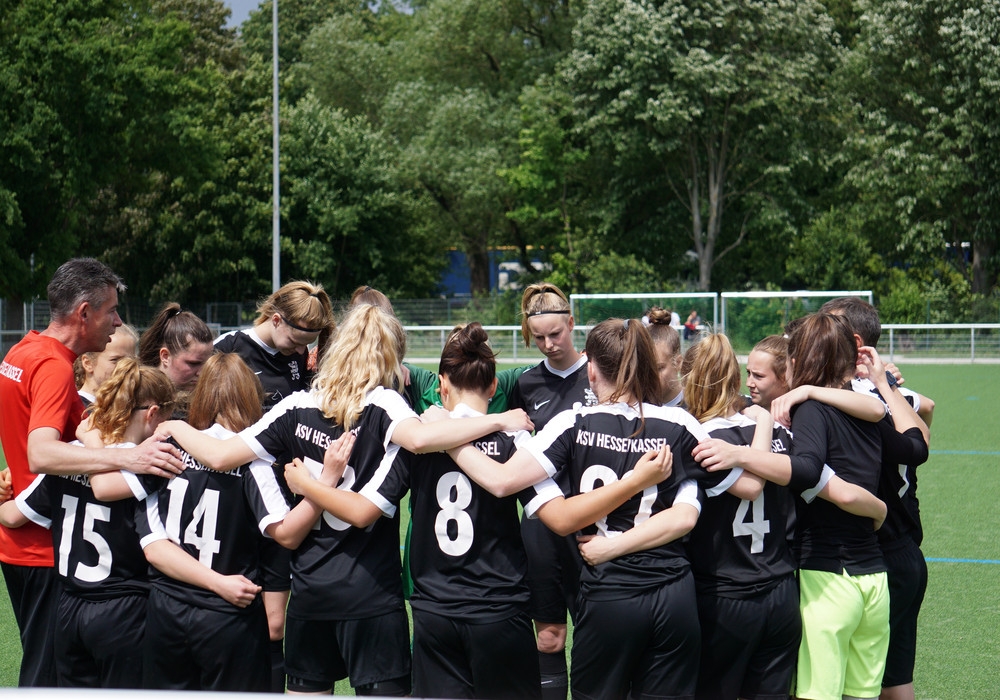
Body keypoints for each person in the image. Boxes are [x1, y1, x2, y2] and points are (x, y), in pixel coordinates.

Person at [155, 303, 533, 695]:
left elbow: (219, 455)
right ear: (390, 357)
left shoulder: (296, 405)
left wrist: (172, 427)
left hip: (310, 595)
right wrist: (499, 419)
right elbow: (418, 443)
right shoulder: (385, 406)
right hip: (370, 598)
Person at [447, 318, 742, 699]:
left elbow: (502, 481)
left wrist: (451, 442)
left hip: (609, 592)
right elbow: (732, 490)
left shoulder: (571, 424)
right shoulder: (681, 424)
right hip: (675, 595)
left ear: (590, 369)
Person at [284, 323, 544, 699]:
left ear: (441, 384)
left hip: (434, 611)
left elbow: (362, 506)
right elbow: (549, 513)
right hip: (499, 607)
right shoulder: (515, 440)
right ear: (493, 388)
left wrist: (311, 484)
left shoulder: (415, 443)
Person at [0, 257, 183, 687]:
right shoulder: (53, 366)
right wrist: (126, 458)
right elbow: (42, 453)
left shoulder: (20, 351)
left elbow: (26, 445)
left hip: (22, 535)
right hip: (46, 548)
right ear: (84, 313)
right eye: (112, 311)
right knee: (45, 683)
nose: (117, 320)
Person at [695, 313, 891, 700]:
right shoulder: (860, 406)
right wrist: (880, 510)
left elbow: (811, 475)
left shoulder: (807, 415)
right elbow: (886, 417)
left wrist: (739, 452)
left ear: (798, 363)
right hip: (873, 577)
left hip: (827, 577)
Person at [135, 353, 329, 692]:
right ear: (250, 397)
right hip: (227, 615)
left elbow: (153, 545)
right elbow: (285, 533)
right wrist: (323, 486)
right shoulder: (254, 462)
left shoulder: (167, 449)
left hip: (165, 609)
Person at [213, 280, 336, 690]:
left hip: (281, 496)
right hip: (231, 495)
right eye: (294, 341)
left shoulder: (300, 356)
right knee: (233, 604)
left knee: (275, 623)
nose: (298, 351)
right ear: (275, 318)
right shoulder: (228, 348)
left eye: (307, 344)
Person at [509, 282, 597, 700]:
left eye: (555, 334)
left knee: (597, 629)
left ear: (572, 324)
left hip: (595, 522)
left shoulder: (601, 374)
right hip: (542, 524)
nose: (547, 344)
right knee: (548, 637)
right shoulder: (525, 384)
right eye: (539, 337)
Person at [138, 302, 215, 400]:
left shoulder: (210, 400)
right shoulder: (139, 399)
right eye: (193, 363)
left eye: (207, 364)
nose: (202, 372)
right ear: (165, 356)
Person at [74, 324, 139, 407]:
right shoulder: (75, 407)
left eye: (131, 361)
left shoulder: (133, 406)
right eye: (115, 360)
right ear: (88, 363)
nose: (125, 366)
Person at [644, 306, 684, 406]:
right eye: (644, 368)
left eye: (659, 368)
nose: (650, 376)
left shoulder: (696, 411)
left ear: (678, 363)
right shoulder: (633, 411)